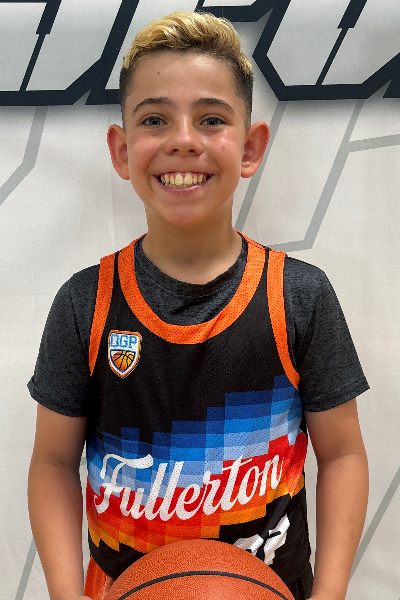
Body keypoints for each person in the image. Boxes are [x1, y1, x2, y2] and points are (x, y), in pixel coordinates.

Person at [27, 11, 369, 600]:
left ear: (250, 147)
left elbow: (342, 455)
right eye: (154, 119)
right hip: (121, 588)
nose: (183, 139)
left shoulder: (299, 296)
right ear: (121, 150)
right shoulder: (85, 303)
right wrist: (64, 592)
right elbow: (53, 463)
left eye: (211, 119)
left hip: (271, 587)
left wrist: (330, 593)